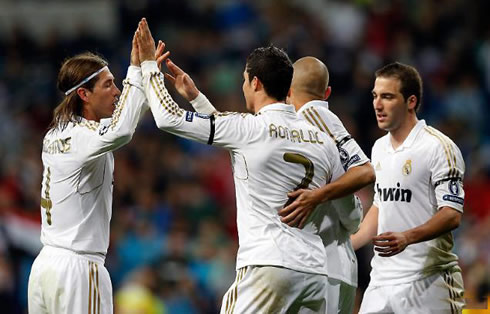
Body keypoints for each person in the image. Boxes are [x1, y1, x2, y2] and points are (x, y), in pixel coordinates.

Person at [136, 18, 345, 313]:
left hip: (267, 264)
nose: (243, 86)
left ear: (256, 82)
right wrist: (196, 97)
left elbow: (168, 117)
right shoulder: (322, 140)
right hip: (314, 271)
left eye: (245, 80)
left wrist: (148, 68)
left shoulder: (249, 128)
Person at [27, 31, 168, 313]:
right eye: (108, 84)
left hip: (45, 267)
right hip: (79, 269)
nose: (116, 91)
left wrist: (145, 73)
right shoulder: (85, 138)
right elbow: (123, 129)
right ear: (84, 94)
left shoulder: (55, 134)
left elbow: (122, 122)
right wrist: (138, 70)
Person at [351, 62, 465, 313]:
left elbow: (451, 214)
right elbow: (381, 205)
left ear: (411, 101)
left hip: (429, 280)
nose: (377, 105)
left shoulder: (438, 147)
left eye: (388, 97)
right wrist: (348, 245)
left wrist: (407, 237)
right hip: (381, 281)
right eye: (375, 96)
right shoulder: (379, 148)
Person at [283, 56, 374, 314]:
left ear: (287, 90)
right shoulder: (291, 127)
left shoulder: (313, 114)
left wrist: (320, 196)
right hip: (331, 266)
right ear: (327, 92)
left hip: (321, 265)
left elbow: (365, 170)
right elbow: (352, 215)